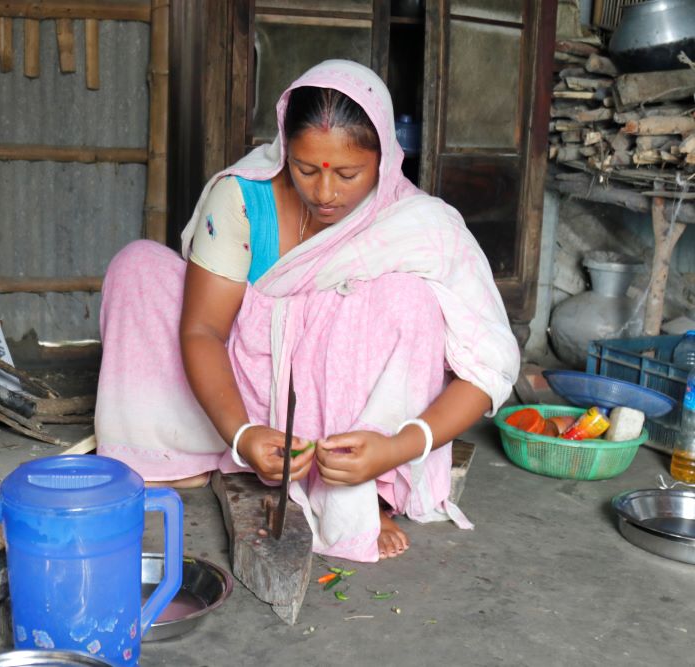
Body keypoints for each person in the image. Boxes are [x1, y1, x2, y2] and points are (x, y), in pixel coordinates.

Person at [94, 59, 520, 562]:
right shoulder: (242, 197)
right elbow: (205, 329)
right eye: (303, 168)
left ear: (383, 159)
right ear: (283, 148)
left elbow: (488, 369)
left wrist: (399, 447)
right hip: (239, 389)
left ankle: (367, 489)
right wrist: (243, 432)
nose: (324, 193)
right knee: (139, 266)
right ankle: (208, 448)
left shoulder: (419, 227)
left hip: (337, 417)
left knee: (406, 300)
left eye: (348, 173)